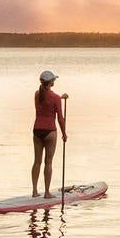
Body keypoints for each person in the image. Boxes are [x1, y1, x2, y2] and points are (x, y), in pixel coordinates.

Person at [31, 70, 68, 198]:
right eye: (54, 80)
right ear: (51, 82)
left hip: (37, 130)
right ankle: (47, 192)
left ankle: (35, 191)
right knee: (48, 162)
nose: (55, 81)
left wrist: (61, 98)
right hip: (49, 132)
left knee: (37, 162)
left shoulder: (37, 94)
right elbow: (60, 119)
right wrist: (64, 134)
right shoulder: (55, 98)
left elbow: (46, 99)